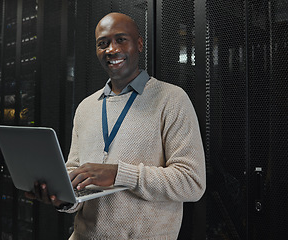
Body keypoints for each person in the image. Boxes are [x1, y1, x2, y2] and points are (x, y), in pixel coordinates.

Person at [26, 12, 206, 239]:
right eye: (103, 43)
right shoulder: (86, 107)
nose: (111, 49)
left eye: (121, 39)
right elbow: (74, 176)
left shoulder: (171, 99)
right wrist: (63, 197)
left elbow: (192, 182)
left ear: (139, 44)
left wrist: (119, 174)